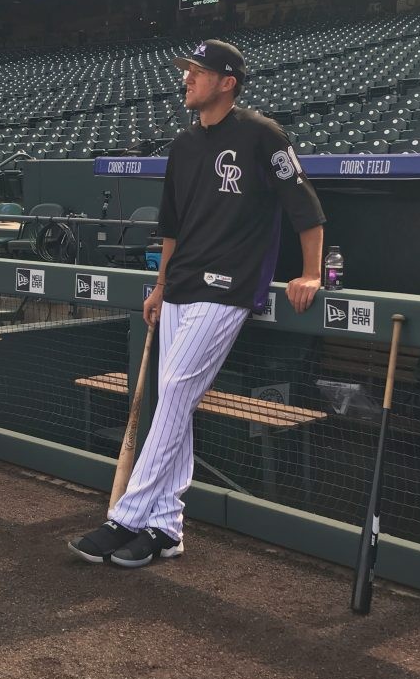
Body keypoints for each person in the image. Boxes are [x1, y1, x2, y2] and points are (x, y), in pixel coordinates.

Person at [69, 39, 326, 568]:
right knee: (173, 398)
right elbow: (172, 225)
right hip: (183, 284)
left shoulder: (261, 134)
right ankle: (165, 528)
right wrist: (161, 283)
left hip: (230, 286)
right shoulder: (184, 144)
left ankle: (127, 515)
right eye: (187, 70)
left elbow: (305, 207)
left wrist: (310, 273)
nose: (186, 78)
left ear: (227, 82)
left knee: (178, 389)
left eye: (197, 71)